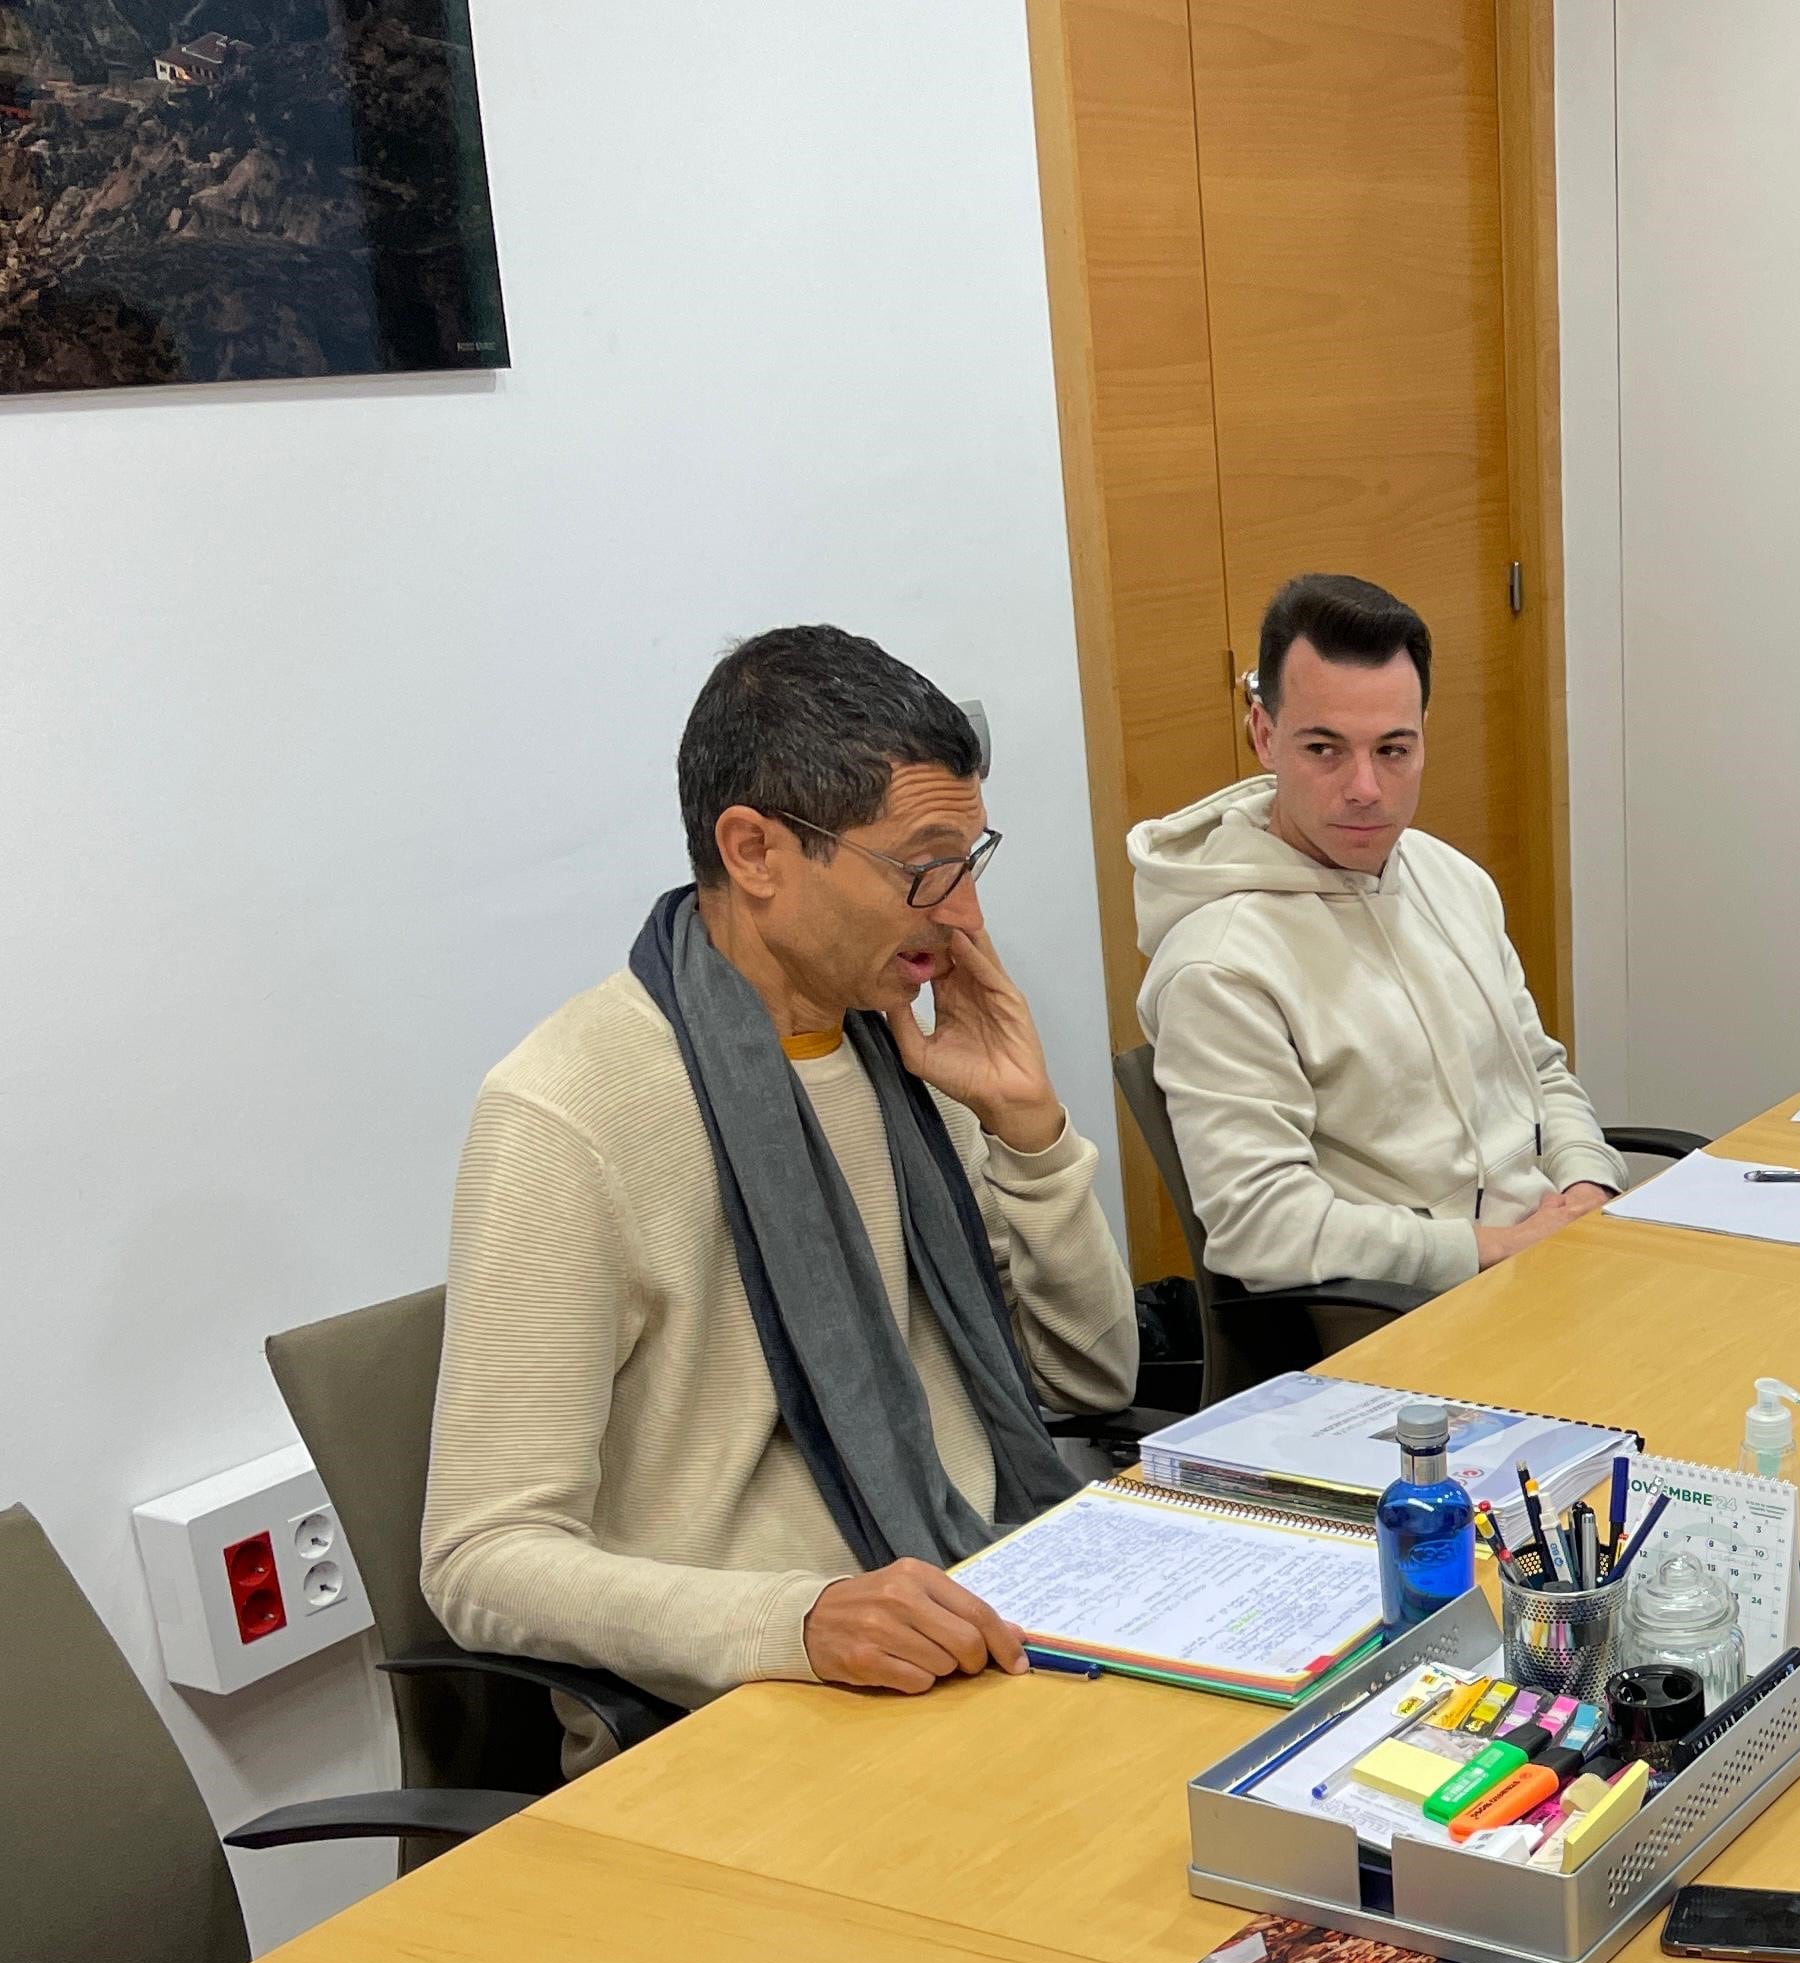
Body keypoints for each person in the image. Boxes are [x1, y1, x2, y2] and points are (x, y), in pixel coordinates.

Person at [427, 628, 1136, 1730]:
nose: (962, 913)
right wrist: (795, 1623)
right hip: (748, 1701)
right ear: (755, 851)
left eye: (970, 859)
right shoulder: (568, 1110)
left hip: (980, 1604)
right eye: (921, 867)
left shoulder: (897, 1043)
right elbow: (481, 1556)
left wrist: (1031, 1135)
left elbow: (1091, 1378)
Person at [1131, 572, 1622, 1296]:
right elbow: (1263, 1226)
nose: (1365, 788)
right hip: (1409, 1317)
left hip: (1546, 1263)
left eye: (1394, 750)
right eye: (1324, 749)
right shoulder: (1221, 964)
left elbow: (1539, 1072)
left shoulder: (1449, 878)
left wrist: (1588, 1185)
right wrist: (1488, 1248)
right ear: (1264, 736)